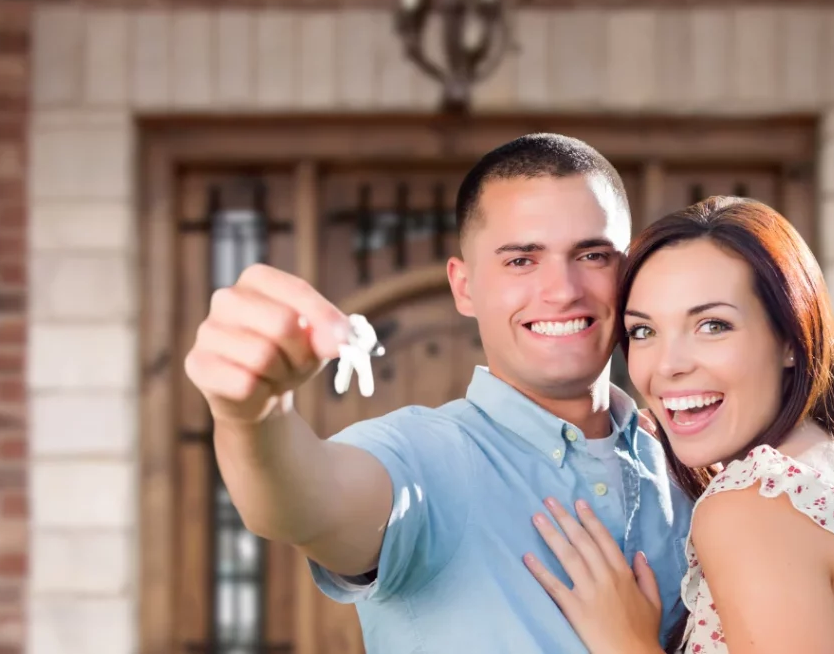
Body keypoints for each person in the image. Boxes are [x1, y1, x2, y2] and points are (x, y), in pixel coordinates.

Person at [184, 133, 694, 653]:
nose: (562, 289)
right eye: (521, 260)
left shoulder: (690, 461)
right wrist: (252, 417)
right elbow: (301, 503)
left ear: (630, 272)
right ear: (464, 286)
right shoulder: (424, 456)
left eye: (592, 255)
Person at [522, 196, 834, 653]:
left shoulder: (754, 509)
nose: (668, 366)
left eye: (713, 325)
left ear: (791, 341)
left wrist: (628, 643)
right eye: (644, 331)